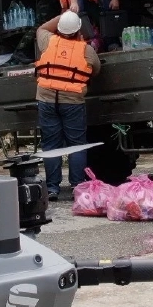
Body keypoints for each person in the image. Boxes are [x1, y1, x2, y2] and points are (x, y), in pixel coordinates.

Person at [34, 11, 101, 200]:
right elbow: (96, 70)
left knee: (51, 145)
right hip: (72, 101)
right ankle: (77, 187)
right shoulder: (86, 50)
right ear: (79, 29)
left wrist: (65, 14)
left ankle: (53, 189)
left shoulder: (47, 40)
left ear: (59, 28)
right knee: (77, 145)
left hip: (46, 99)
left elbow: (42, 28)